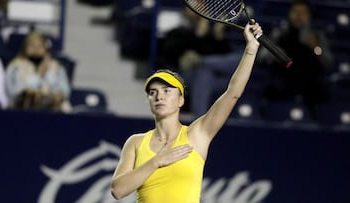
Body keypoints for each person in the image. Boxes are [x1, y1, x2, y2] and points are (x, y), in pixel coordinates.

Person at [111, 22, 263, 202]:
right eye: (153, 93)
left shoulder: (196, 134)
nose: (159, 96)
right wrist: (157, 161)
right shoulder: (136, 142)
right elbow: (118, 190)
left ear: (181, 100)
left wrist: (251, 49)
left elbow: (232, 94)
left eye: (167, 91)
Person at [258, 0, 333, 117]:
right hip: (282, 82)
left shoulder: (317, 36)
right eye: (296, 12)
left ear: (309, 16)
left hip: (310, 84)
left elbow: (328, 63)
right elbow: (261, 58)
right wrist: (273, 54)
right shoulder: (279, 33)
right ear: (289, 13)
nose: (299, 16)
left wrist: (316, 48)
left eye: (303, 13)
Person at [5, 32, 71, 112]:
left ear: (46, 49)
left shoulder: (56, 67)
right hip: (21, 111)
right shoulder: (16, 66)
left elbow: (64, 91)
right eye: (32, 46)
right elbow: (15, 92)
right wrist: (37, 77)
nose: (36, 49)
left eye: (39, 46)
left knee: (66, 106)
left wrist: (49, 75)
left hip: (52, 111)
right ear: (25, 48)